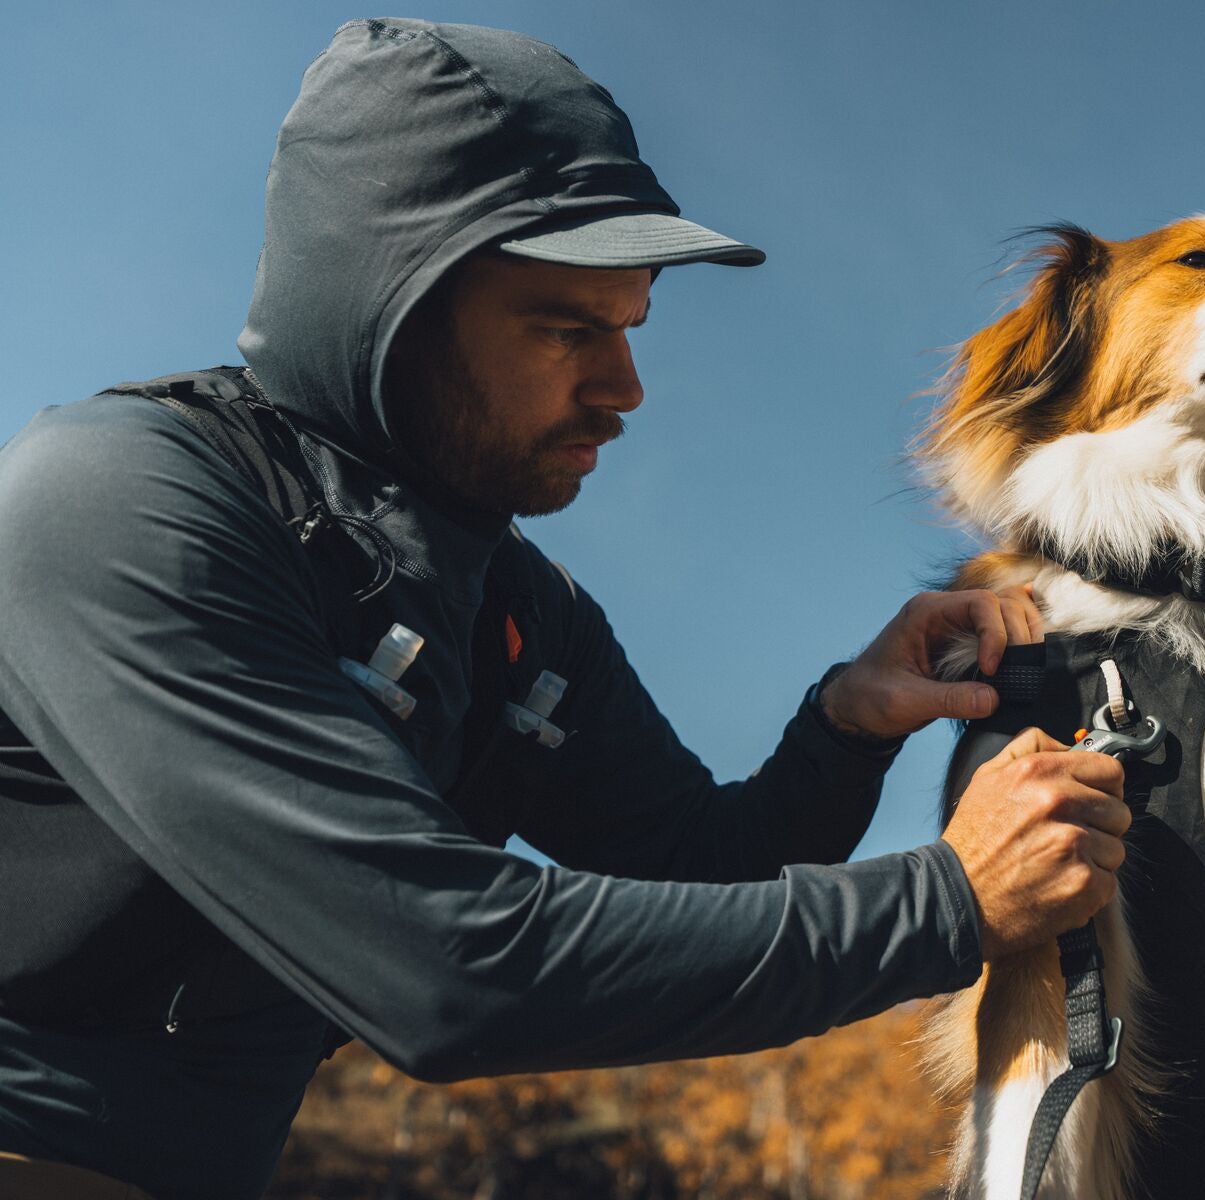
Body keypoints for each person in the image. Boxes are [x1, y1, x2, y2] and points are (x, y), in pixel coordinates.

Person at [0, 18, 1131, 1200]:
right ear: (389, 305)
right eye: (565, 330)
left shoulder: (526, 615)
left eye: (630, 329)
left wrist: (842, 732)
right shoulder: (125, 502)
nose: (624, 391)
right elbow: (443, 966)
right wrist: (944, 902)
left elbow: (702, 879)